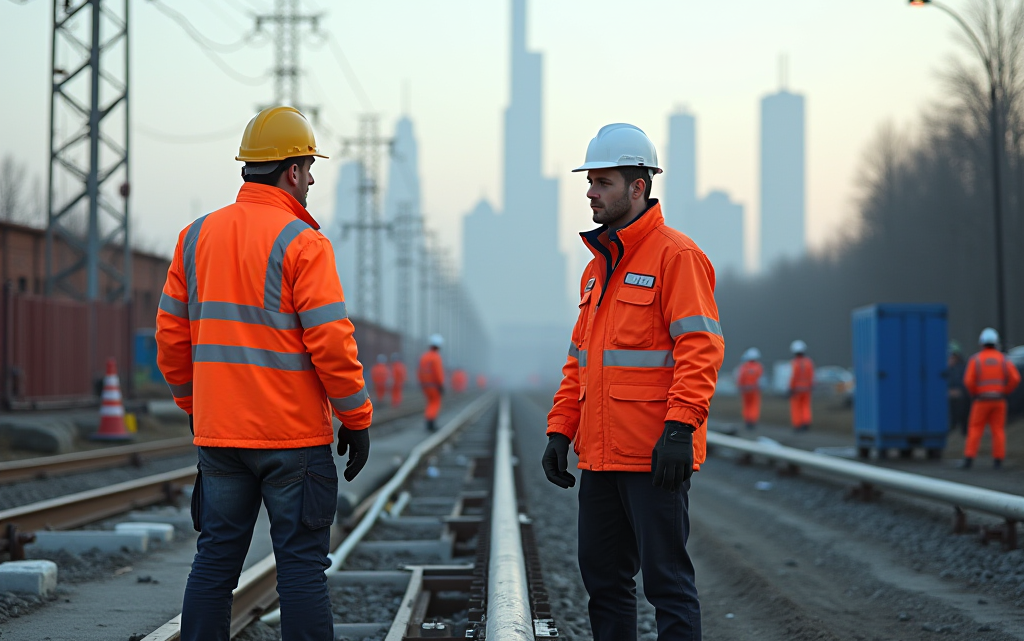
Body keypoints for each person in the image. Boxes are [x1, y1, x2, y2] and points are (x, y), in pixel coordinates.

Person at [156, 106, 372, 641]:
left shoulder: (194, 237)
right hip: (292, 440)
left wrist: (195, 409)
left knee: (213, 564)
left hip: (221, 437)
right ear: (292, 171)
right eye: (309, 167)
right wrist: (357, 418)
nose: (313, 179)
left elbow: (171, 341)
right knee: (300, 567)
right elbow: (331, 343)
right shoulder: (302, 242)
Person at [542, 123, 724, 640]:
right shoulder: (596, 270)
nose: (590, 192)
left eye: (601, 182)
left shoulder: (677, 257)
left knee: (666, 583)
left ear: (638, 186)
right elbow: (579, 363)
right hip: (599, 457)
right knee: (604, 582)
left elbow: (701, 347)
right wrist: (560, 430)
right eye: (590, 181)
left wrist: (680, 429)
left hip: (654, 456)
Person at [961, 328, 1020, 469]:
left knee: (975, 429)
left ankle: (969, 458)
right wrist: (1005, 390)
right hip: (999, 400)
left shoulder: (976, 360)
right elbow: (1015, 378)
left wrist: (975, 392)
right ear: (996, 343)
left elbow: (968, 381)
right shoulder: (1003, 359)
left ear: (981, 343)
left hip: (981, 400)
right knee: (998, 430)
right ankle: (998, 460)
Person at [419, 334, 445, 431]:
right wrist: (441, 385)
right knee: (435, 403)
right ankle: (430, 423)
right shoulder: (436, 357)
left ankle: (428, 421)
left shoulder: (424, 357)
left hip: (425, 385)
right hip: (434, 385)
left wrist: (422, 383)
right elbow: (438, 372)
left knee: (430, 403)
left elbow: (420, 371)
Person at [789, 340, 814, 432]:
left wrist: (791, 387)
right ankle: (806, 422)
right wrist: (811, 385)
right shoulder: (808, 362)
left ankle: (797, 425)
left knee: (796, 407)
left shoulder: (794, 363)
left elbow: (792, 376)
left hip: (796, 389)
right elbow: (811, 375)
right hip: (806, 389)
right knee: (805, 406)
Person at [945, 341, 969, 435]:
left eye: (954, 356)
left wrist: (960, 390)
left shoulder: (962, 368)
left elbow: (966, 382)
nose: (952, 358)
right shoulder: (945, 368)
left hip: (961, 396)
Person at [736, 348, 763, 430]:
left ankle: (747, 421)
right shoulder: (758, 367)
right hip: (754, 390)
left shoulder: (744, 366)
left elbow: (741, 378)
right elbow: (761, 378)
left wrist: (740, 386)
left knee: (746, 406)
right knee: (754, 406)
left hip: (745, 390)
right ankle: (752, 421)